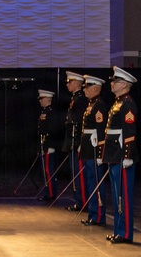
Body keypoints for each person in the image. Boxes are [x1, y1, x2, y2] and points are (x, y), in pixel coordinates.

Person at [103, 67, 137, 244]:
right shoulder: (118, 102)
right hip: (114, 153)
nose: (112, 83)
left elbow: (129, 131)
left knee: (123, 196)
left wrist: (128, 155)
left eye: (115, 81)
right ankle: (118, 230)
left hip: (121, 155)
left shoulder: (127, 104)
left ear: (123, 84)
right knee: (117, 196)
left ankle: (125, 233)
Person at [79, 75, 109, 227]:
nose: (85, 89)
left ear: (96, 88)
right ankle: (92, 213)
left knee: (96, 182)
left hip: (94, 148)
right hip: (88, 147)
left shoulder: (99, 105)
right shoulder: (91, 104)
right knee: (91, 181)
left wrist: (100, 153)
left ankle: (98, 216)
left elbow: (101, 130)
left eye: (87, 86)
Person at [62, 72, 88, 211]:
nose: (67, 84)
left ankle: (82, 201)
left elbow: (81, 123)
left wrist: (80, 143)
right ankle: (78, 199)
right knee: (75, 174)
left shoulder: (81, 99)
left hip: (78, 140)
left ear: (77, 83)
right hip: (72, 140)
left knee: (80, 175)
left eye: (70, 82)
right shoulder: (74, 98)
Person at [36, 89, 65, 201]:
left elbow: (53, 130)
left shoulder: (51, 113)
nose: (40, 101)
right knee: (45, 171)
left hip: (49, 146)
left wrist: (50, 146)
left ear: (47, 99)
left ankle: (51, 193)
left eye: (41, 99)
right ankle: (47, 191)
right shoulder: (44, 112)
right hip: (44, 145)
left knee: (49, 170)